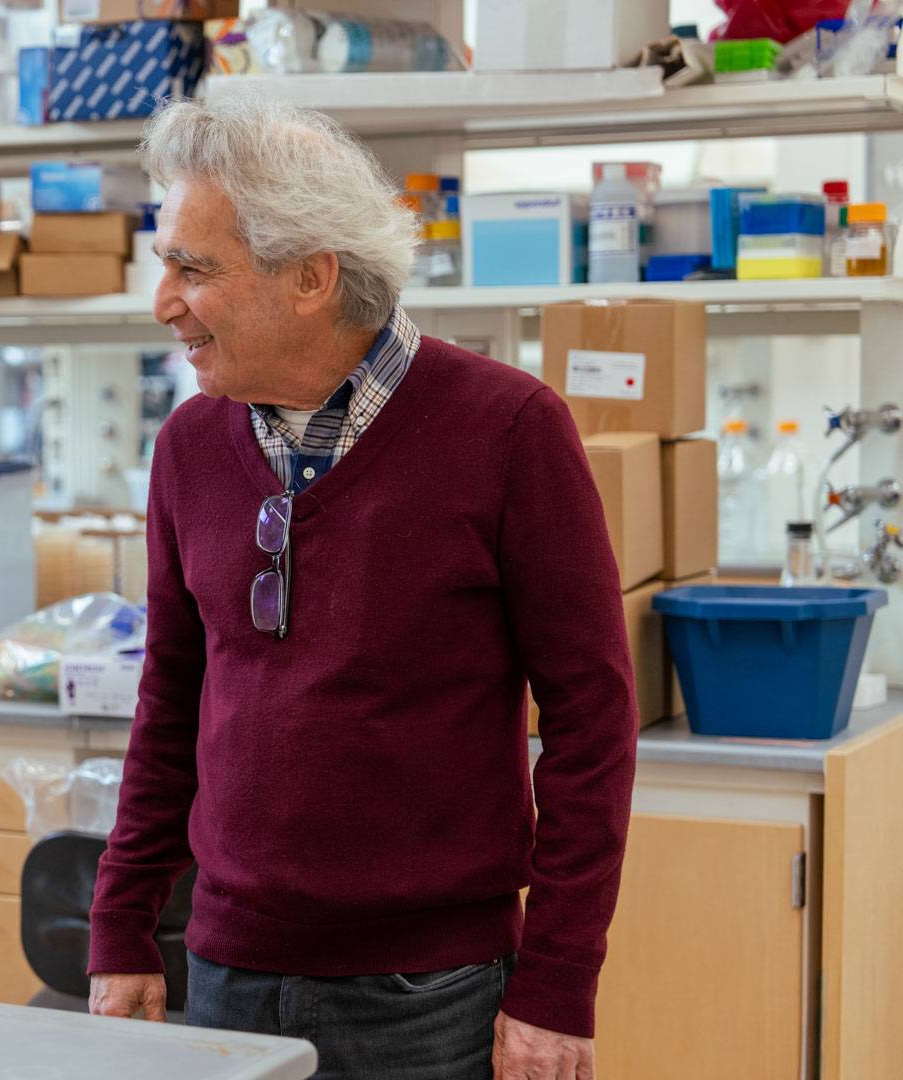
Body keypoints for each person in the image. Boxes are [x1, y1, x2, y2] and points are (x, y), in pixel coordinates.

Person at [87, 98, 637, 1080]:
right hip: (224, 970)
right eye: (163, 262)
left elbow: (594, 721)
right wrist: (122, 921)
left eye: (194, 269)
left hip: (427, 993)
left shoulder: (509, 431)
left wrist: (558, 982)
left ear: (310, 277)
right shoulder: (188, 449)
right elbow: (170, 698)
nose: (162, 299)